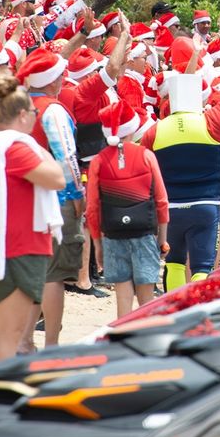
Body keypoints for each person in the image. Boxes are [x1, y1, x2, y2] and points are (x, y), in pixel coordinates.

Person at [137, 34, 220, 290]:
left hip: (170, 209)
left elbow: (141, 167)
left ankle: (173, 308)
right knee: (202, 267)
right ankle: (198, 310)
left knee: (175, 263)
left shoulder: (155, 131)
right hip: (206, 206)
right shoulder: (210, 122)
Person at [0, 72, 65, 364]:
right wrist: (43, 150)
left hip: (12, 246)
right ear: (22, 115)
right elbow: (56, 178)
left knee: (9, 332)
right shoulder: (16, 147)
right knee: (11, 333)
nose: (36, 116)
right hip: (17, 248)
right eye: (33, 112)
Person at [16, 48, 85, 348]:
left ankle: (25, 338)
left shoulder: (18, 108)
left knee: (33, 271)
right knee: (53, 276)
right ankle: (51, 342)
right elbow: (66, 156)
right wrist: (78, 195)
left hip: (23, 197)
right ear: (54, 80)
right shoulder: (52, 109)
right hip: (55, 200)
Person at [86, 102, 169, 318]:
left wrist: (97, 244)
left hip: (113, 235)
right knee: (146, 297)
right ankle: (145, 341)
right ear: (131, 128)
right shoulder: (146, 156)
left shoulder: (99, 161)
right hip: (144, 232)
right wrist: (162, 238)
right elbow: (161, 200)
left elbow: (93, 208)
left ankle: (124, 337)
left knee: (122, 296)